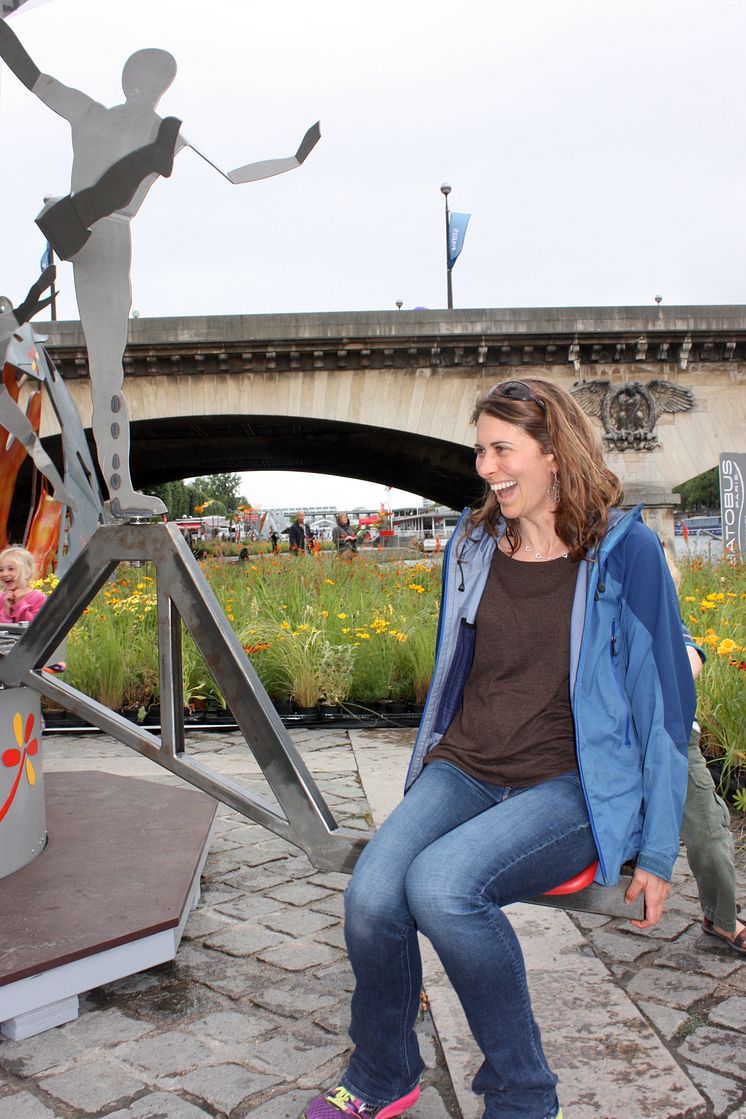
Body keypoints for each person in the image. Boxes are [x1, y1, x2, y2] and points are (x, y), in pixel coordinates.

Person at [303, 379, 696, 1119]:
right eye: (480, 450)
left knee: (443, 888)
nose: (485, 466)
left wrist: (658, 851)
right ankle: (384, 1071)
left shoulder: (625, 550)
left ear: (554, 452)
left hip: (572, 782)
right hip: (468, 766)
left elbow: (665, 707)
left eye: (501, 449)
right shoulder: (474, 542)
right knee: (370, 896)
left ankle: (523, 1092)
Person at [0, 17, 319, 519]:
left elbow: (32, 75)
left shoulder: (89, 113)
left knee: (110, 370)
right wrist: (295, 160)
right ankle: (120, 490)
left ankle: (119, 487)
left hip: (83, 232)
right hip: (110, 237)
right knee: (109, 372)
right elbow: (235, 174)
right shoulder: (164, 132)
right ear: (161, 88)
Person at [664, 548, 745, 955]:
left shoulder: (670, 624)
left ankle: (721, 918)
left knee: (710, 831)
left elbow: (691, 659)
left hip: (676, 740)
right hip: (616, 746)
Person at [0, 546, 46, 624]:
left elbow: (34, 628)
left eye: (11, 569)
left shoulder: (38, 598)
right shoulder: (1, 597)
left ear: (27, 572)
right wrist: (6, 610)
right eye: (1, 570)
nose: (5, 574)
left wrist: (20, 603)